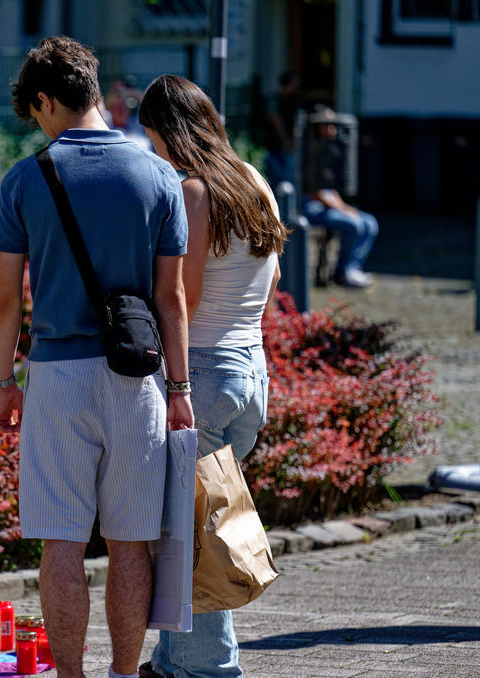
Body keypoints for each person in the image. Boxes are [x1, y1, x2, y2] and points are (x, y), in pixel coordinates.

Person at [0, 37, 194, 678]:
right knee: (132, 541)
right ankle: (125, 676)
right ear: (97, 94)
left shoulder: (26, 178)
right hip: (139, 377)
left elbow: (3, 301)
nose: (39, 126)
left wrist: (3, 381)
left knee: (63, 541)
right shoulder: (159, 176)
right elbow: (172, 299)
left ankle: (71, 676)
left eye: (36, 113)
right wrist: (180, 388)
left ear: (46, 101)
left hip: (56, 374)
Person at [136, 74, 287, 678]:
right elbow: (271, 282)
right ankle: (172, 664)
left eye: (151, 137)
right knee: (200, 525)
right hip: (250, 372)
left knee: (193, 541)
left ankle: (210, 670)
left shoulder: (194, 193)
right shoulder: (255, 181)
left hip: (202, 372)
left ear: (168, 133)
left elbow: (184, 297)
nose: (152, 150)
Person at [302, 107, 378, 288]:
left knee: (369, 223)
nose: (332, 130)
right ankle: (343, 272)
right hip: (312, 208)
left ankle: (353, 267)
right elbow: (315, 192)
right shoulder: (309, 151)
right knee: (354, 225)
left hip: (330, 205)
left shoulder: (329, 150)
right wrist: (344, 210)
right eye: (328, 125)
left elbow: (330, 189)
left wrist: (346, 207)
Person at [264, 71, 301, 189]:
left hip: (287, 146)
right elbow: (275, 121)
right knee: (278, 181)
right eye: (294, 86)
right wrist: (286, 140)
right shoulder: (275, 101)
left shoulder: (294, 102)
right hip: (276, 146)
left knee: (287, 180)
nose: (296, 90)